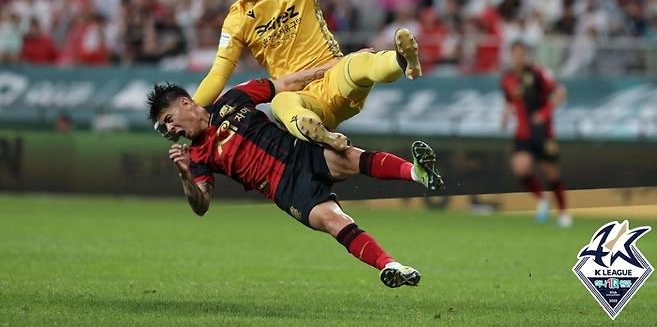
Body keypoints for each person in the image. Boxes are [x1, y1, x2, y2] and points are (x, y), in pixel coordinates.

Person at [147, 74, 443, 288]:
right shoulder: (197, 156)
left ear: (186, 103)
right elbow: (202, 206)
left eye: (169, 119)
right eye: (164, 129)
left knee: (350, 156)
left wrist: (338, 66)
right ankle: (391, 265)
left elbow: (286, 84)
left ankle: (418, 173)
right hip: (285, 189)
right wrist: (185, 176)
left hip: (299, 152)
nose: (171, 129)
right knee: (332, 220)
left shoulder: (234, 98)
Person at [193, 0, 423, 151]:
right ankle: (321, 135)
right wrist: (192, 109)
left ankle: (401, 60)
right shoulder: (236, 20)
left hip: (334, 77)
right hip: (303, 97)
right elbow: (219, 74)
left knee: (359, 63)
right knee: (281, 102)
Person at [500, 41, 572, 228]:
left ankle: (564, 213)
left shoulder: (538, 73)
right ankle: (542, 198)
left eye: (520, 54)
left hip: (542, 131)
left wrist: (544, 113)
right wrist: (506, 114)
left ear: (526, 55)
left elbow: (560, 92)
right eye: (514, 54)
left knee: (552, 173)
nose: (517, 57)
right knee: (520, 168)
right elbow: (510, 100)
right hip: (522, 132)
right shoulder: (507, 78)